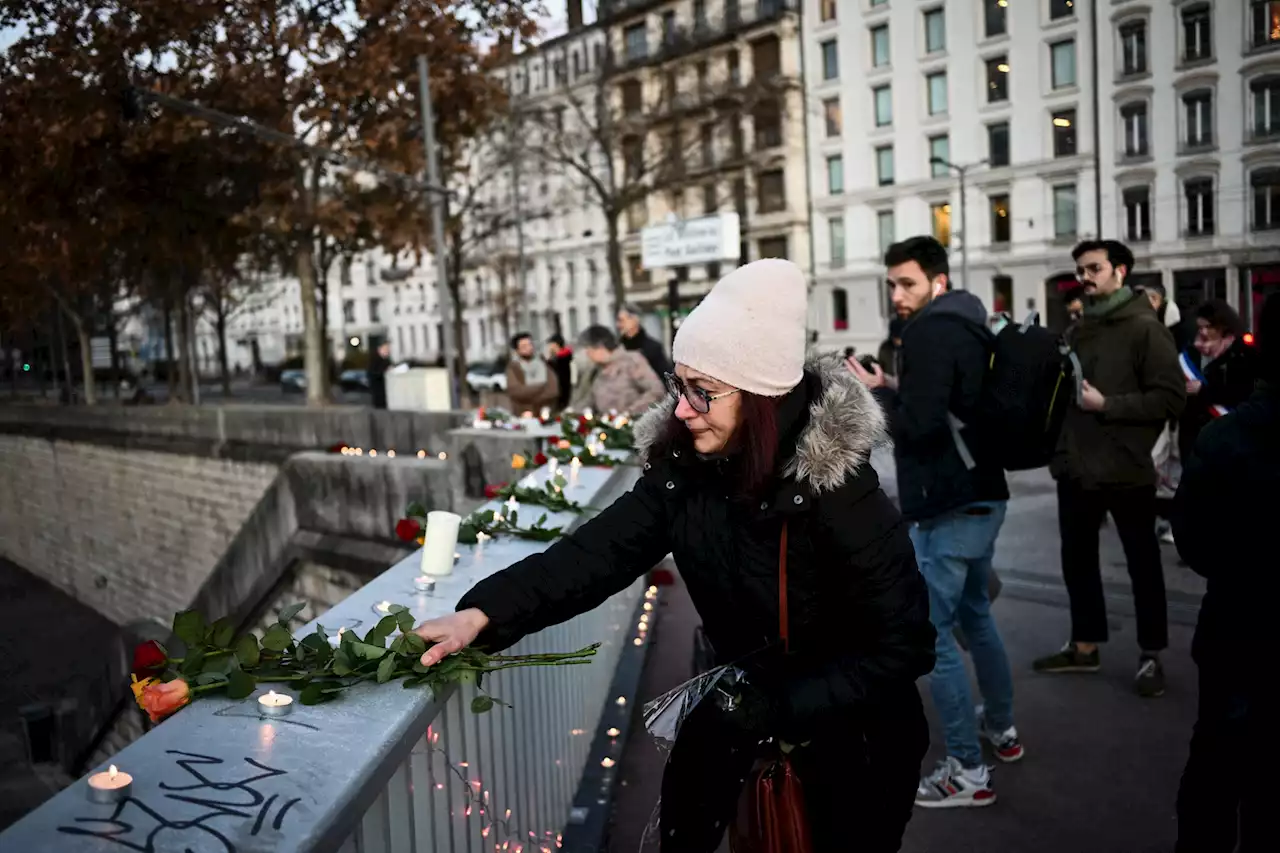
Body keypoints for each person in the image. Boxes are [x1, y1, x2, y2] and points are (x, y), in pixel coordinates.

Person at [412, 259, 936, 853]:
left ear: (762, 398)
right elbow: (595, 553)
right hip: (739, 715)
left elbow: (906, 644)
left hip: (853, 751)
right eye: (678, 385)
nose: (683, 410)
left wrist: (781, 706)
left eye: (702, 392)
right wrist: (479, 616)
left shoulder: (841, 491)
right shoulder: (685, 469)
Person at [849, 235, 1020, 809]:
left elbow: (919, 426)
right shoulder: (968, 320)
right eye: (892, 284)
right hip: (984, 495)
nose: (897, 295)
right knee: (976, 616)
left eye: (907, 284)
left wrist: (877, 400)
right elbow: (951, 402)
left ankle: (967, 772)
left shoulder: (924, 332)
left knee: (936, 637)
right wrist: (894, 386)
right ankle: (1002, 729)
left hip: (945, 504)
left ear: (935, 282)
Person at [1033, 240, 1185, 697]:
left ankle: (1151, 654)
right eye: (1080, 269)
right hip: (1077, 468)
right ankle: (1084, 646)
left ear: (1120, 270)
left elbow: (1171, 397)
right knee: (1077, 562)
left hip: (1126, 467)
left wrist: (1108, 405)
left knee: (1143, 564)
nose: (1085, 276)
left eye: (1094, 268)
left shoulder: (1145, 328)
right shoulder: (1080, 329)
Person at [1171, 292, 1278, 853]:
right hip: (1240, 622)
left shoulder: (1228, 435)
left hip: (1237, 623)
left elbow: (1194, 538)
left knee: (1216, 763)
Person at [1177, 299, 1258, 466]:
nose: (1203, 332)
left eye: (1208, 327)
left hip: (1228, 433)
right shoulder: (1193, 352)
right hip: (1197, 435)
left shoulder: (1242, 352)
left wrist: (1204, 390)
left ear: (1222, 326)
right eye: (1200, 327)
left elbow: (1243, 391)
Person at [573, 325, 665, 414]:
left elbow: (656, 391)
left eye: (589, 351)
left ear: (600, 348)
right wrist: (573, 413)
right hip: (607, 426)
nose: (588, 355)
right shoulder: (596, 370)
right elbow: (589, 400)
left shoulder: (631, 361)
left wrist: (629, 413)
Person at [505, 332, 559, 412]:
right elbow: (516, 392)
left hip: (545, 412)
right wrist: (541, 386)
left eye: (530, 344)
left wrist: (531, 395)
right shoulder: (513, 368)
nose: (529, 348)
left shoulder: (543, 364)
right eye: (524, 346)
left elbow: (553, 390)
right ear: (517, 350)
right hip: (523, 413)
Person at [617, 302, 672, 379]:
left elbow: (665, 377)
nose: (618, 325)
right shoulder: (617, 348)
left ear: (634, 320)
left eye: (621, 320)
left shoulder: (653, 348)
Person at [546, 333, 574, 411]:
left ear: (555, 345)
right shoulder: (563, 357)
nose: (549, 347)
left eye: (550, 344)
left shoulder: (561, 360)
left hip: (562, 392)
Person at [368, 341, 391, 410]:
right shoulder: (375, 360)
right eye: (385, 349)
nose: (388, 351)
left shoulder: (386, 361)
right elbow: (375, 374)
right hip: (379, 392)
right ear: (379, 349)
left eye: (388, 349)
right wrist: (386, 371)